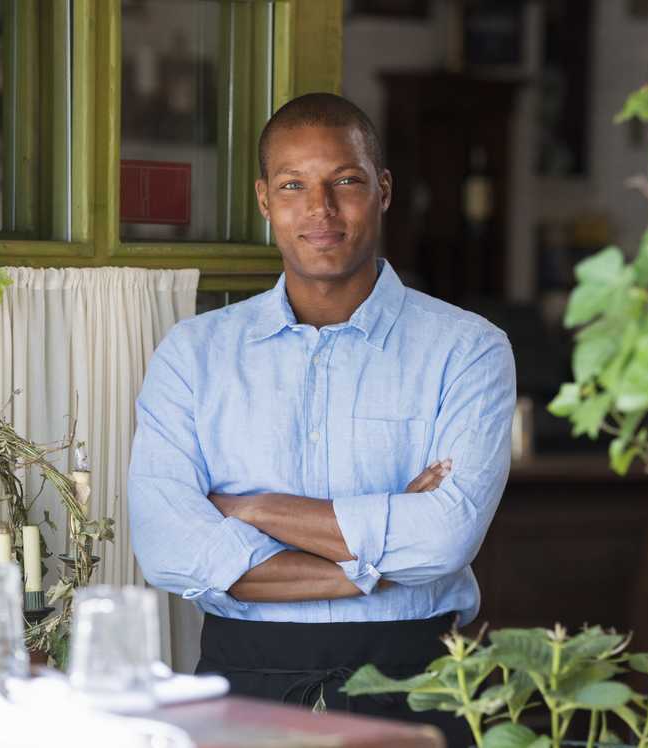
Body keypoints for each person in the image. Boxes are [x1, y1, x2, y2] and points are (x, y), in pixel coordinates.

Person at [128, 92, 515, 746]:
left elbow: (444, 539)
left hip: (414, 682)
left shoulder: (467, 349)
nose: (320, 210)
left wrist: (254, 508)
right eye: (293, 185)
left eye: (346, 182)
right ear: (263, 199)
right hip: (239, 682)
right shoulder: (193, 355)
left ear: (383, 190)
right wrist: (370, 561)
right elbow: (169, 549)